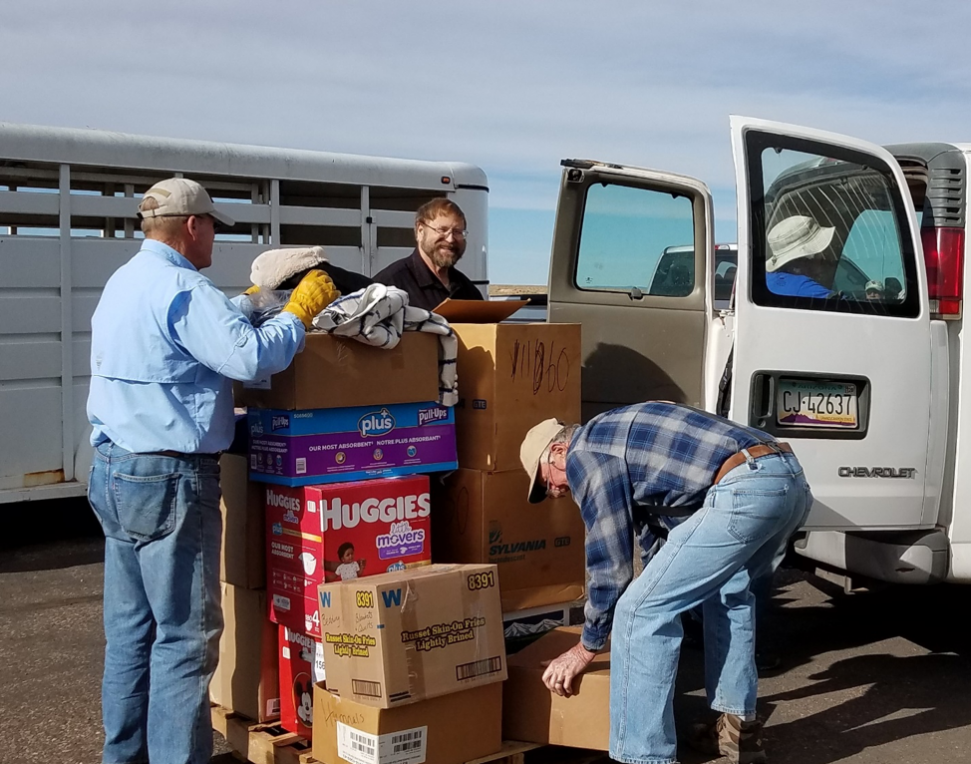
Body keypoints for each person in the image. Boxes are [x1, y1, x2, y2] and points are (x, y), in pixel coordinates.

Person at [86, 177, 339, 764]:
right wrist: (296, 314)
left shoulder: (125, 281)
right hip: (170, 478)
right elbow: (250, 357)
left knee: (131, 633)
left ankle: (122, 757)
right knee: (184, 639)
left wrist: (245, 306)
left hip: (114, 470)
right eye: (213, 230)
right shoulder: (182, 286)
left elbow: (178, 340)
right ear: (193, 227)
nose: (214, 242)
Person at [520, 402, 813, 764]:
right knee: (727, 591)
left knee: (639, 611)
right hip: (787, 480)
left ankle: (644, 756)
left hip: (746, 486)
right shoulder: (618, 438)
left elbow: (610, 563)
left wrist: (587, 646)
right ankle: (739, 731)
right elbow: (656, 537)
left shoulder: (587, 452)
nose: (555, 491)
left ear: (560, 450)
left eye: (547, 480)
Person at [372, 198, 483, 310]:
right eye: (442, 230)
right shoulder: (388, 287)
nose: (450, 239)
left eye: (457, 232)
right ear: (420, 231)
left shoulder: (469, 292)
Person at [764, 214, 835, 298]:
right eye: (821, 254)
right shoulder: (803, 288)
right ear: (809, 258)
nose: (826, 259)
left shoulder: (766, 280)